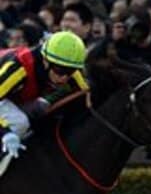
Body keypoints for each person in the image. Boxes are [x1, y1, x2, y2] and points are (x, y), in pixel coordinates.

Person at [0, 31, 89, 171]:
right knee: (19, 122)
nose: (64, 78)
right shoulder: (19, 67)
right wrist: (4, 133)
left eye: (71, 71)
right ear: (45, 60)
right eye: (60, 70)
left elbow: (86, 91)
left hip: (11, 97)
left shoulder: (65, 66)